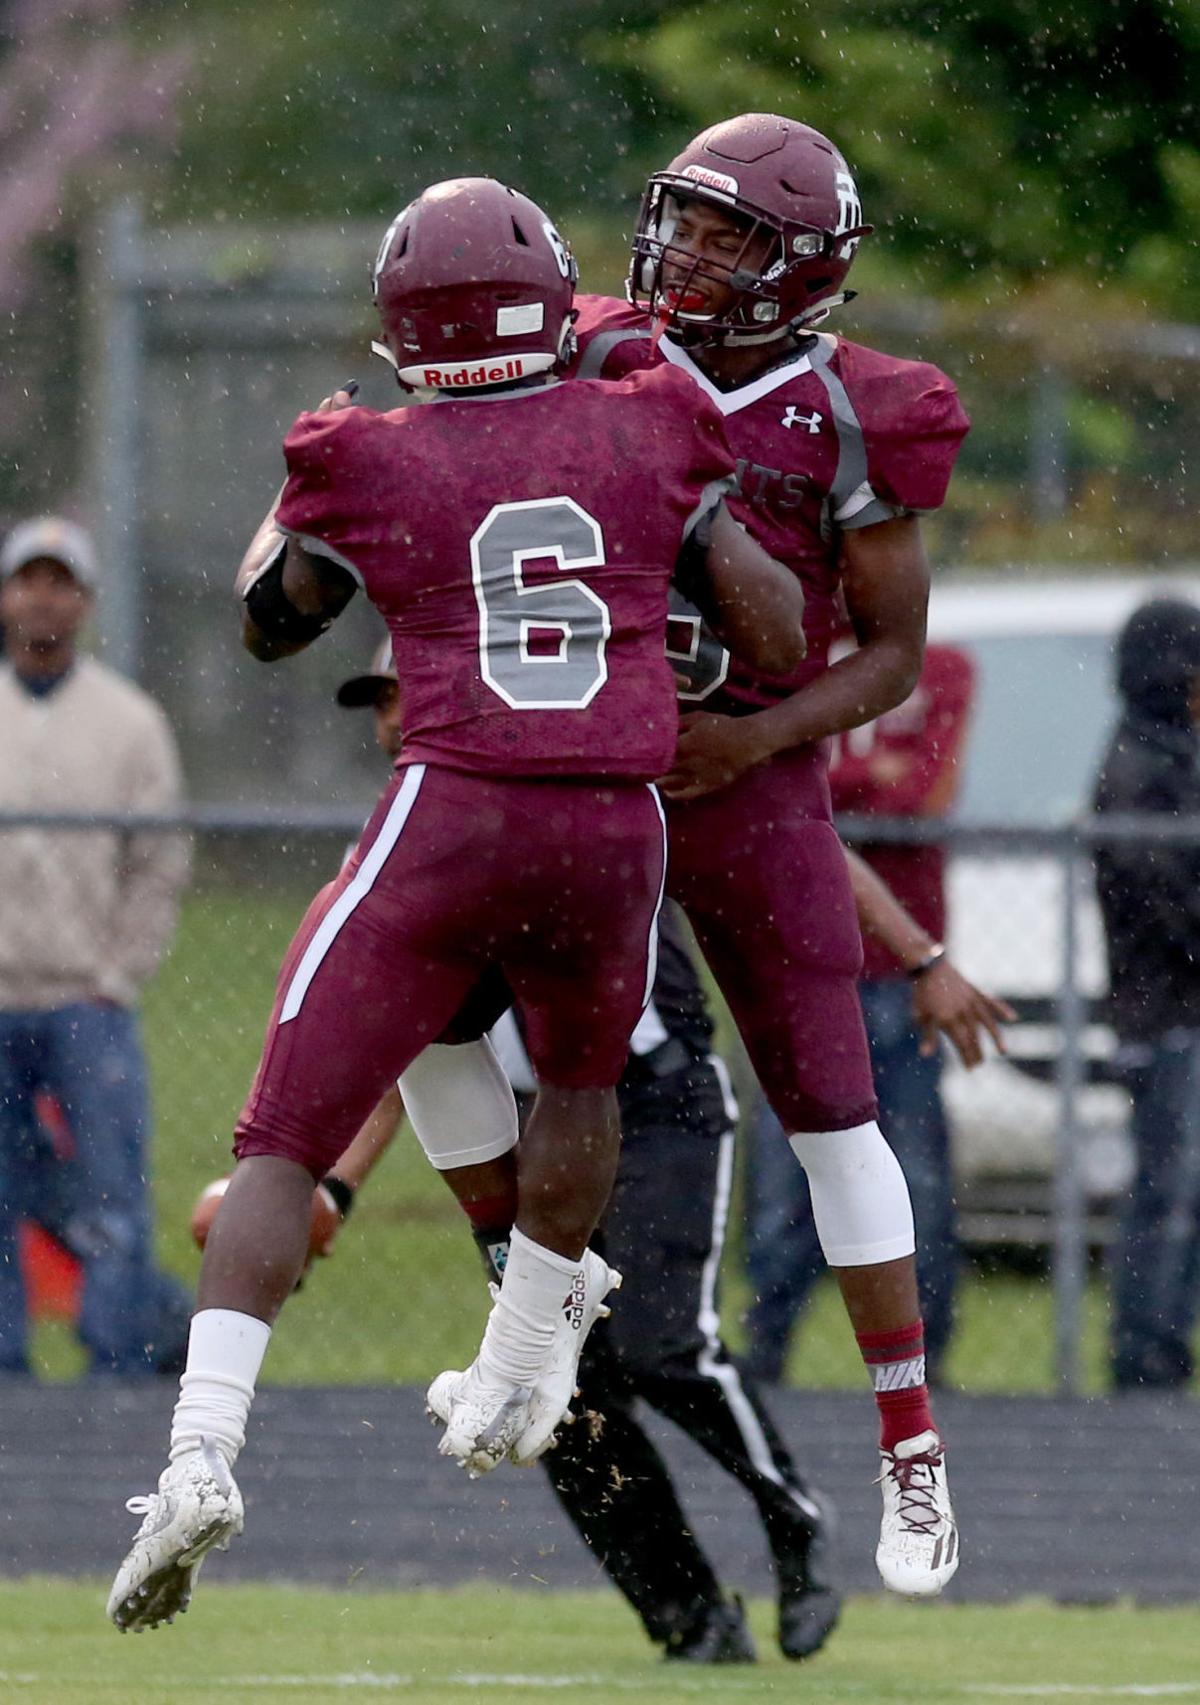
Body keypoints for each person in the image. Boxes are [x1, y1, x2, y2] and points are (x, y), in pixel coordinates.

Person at [107, 176, 807, 1633]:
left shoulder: (374, 450)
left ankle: (200, 1452)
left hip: (460, 802)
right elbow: (776, 629)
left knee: (283, 1137)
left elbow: (270, 622)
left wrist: (307, 497)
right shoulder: (647, 419)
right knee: (572, 1077)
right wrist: (686, 481)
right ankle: (523, 1354)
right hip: (613, 822)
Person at [319, 643, 1007, 1661]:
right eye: (378, 701)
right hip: (517, 1135)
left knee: (658, 1343)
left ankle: (794, 1517)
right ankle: (689, 1617)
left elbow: (797, 846)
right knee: (546, 1397)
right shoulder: (394, 852)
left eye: (405, 692)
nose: (391, 719)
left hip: (657, 1101)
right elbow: (404, 1045)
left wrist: (921, 955)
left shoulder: (590, 782)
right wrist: (328, 1186)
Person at [552, 112, 971, 1595]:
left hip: (747, 774)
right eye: (688, 220)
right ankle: (522, 1325)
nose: (691, 253)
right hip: (595, 764)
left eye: (732, 235)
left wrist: (759, 736)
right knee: (471, 1004)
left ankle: (910, 1447)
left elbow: (898, 653)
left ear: (804, 268)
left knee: (833, 1110)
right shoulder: (602, 347)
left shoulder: (858, 408)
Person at [745, 642, 978, 1385]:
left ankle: (922, 1360)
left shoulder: (936, 665)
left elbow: (927, 795)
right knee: (787, 1178)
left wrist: (825, 788)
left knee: (914, 1175)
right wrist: (855, 780)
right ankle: (767, 1351)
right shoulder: (785, 656)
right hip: (798, 963)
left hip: (892, 975)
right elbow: (767, 788)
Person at [0, 517, 191, 1379]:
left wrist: (119, 973)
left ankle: (120, 1363)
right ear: (7, 596)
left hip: (87, 999)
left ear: (82, 600)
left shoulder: (130, 722)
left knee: (114, 1190)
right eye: (27, 579)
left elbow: (160, 861)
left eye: (59, 581)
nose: (42, 596)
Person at [1093, 598, 1200, 1391]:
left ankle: (1159, 1345)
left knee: (1176, 1191)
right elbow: (1164, 896)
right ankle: (1145, 1356)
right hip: (1167, 1015)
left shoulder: (1169, 755)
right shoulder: (1141, 763)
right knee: (1168, 1192)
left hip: (1170, 1013)